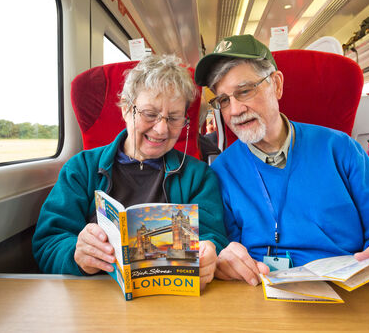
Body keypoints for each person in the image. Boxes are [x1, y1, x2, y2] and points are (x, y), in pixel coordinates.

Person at [194, 34, 369, 286]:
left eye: (245, 91)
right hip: (260, 295)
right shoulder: (222, 170)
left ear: (277, 84)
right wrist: (223, 260)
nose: (235, 110)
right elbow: (223, 249)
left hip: (350, 292)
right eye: (224, 100)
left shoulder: (341, 149)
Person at [33, 54, 229, 289]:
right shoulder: (81, 168)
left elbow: (213, 237)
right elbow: (48, 242)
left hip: (172, 298)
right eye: (150, 114)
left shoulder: (198, 176)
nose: (161, 129)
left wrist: (209, 255)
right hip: (95, 296)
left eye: (174, 118)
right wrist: (76, 254)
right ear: (126, 109)